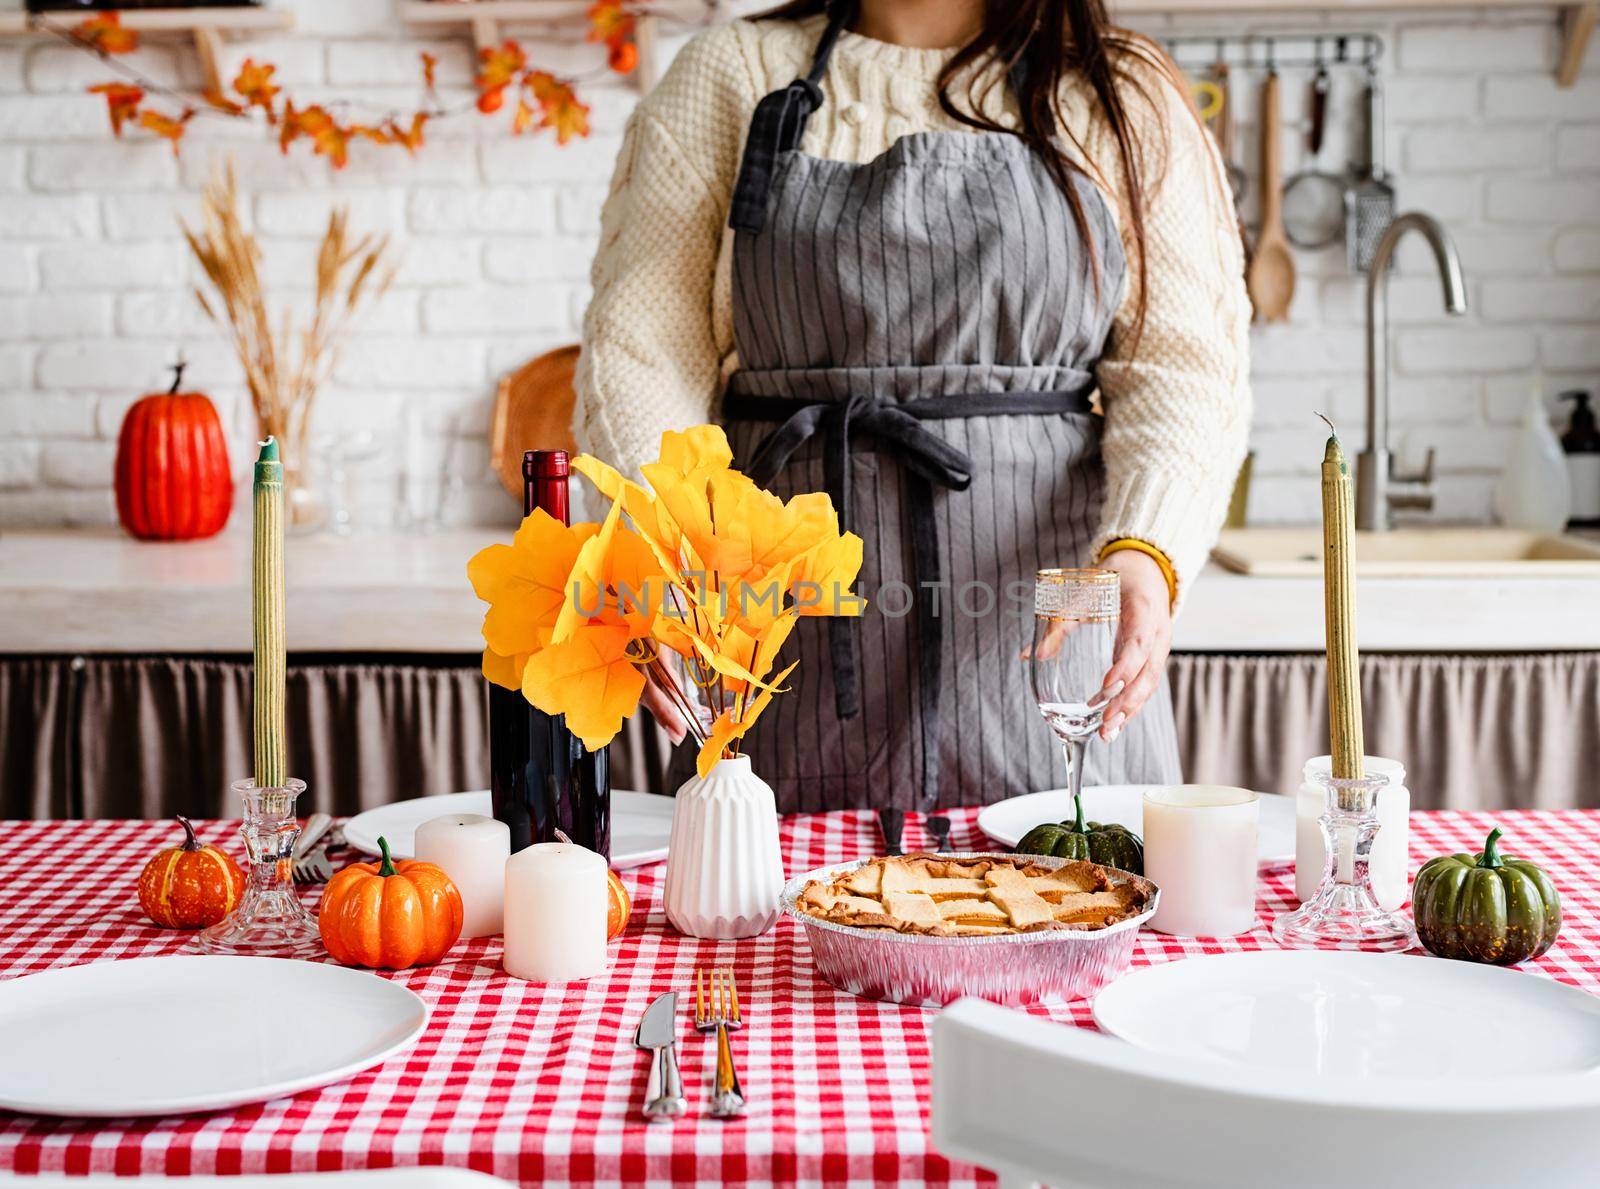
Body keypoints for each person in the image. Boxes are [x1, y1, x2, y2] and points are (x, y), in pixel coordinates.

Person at [573, 0, 1250, 813]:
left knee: (1072, 893)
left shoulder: (1118, 92)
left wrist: (1145, 550)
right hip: (778, 640)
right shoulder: (731, 75)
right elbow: (643, 349)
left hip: (1054, 643)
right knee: (766, 922)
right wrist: (659, 545)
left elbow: (1184, 365)